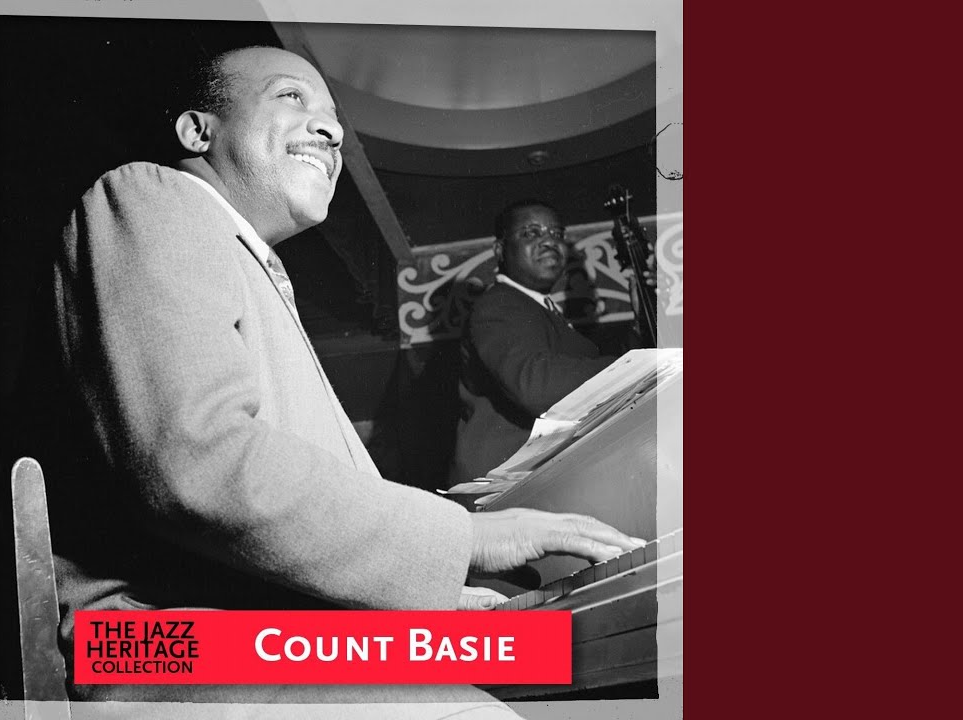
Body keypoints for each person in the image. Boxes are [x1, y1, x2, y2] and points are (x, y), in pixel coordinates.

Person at [45, 45, 644, 712]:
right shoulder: (153, 197)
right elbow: (198, 460)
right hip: (146, 641)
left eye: (332, 114)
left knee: (551, 659)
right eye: (291, 97)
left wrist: (437, 598)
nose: (331, 129)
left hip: (257, 626)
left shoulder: (251, 267)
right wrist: (467, 539)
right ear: (197, 131)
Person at [449, 201, 618, 486]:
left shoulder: (540, 311)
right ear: (500, 250)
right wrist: (629, 367)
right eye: (531, 233)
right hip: (508, 488)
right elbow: (536, 385)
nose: (549, 241)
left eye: (556, 233)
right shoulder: (499, 304)